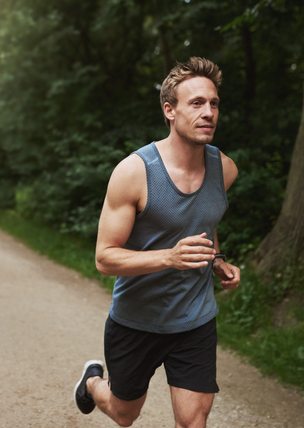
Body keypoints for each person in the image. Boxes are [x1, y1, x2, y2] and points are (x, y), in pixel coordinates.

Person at [73, 57, 241, 428]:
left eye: (213, 103)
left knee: (192, 422)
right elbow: (104, 258)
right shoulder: (134, 172)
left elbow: (204, 220)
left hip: (195, 320)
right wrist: (170, 257)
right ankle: (91, 383)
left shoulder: (224, 169)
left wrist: (217, 258)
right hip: (137, 320)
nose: (208, 112)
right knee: (123, 414)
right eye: (196, 103)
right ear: (170, 110)